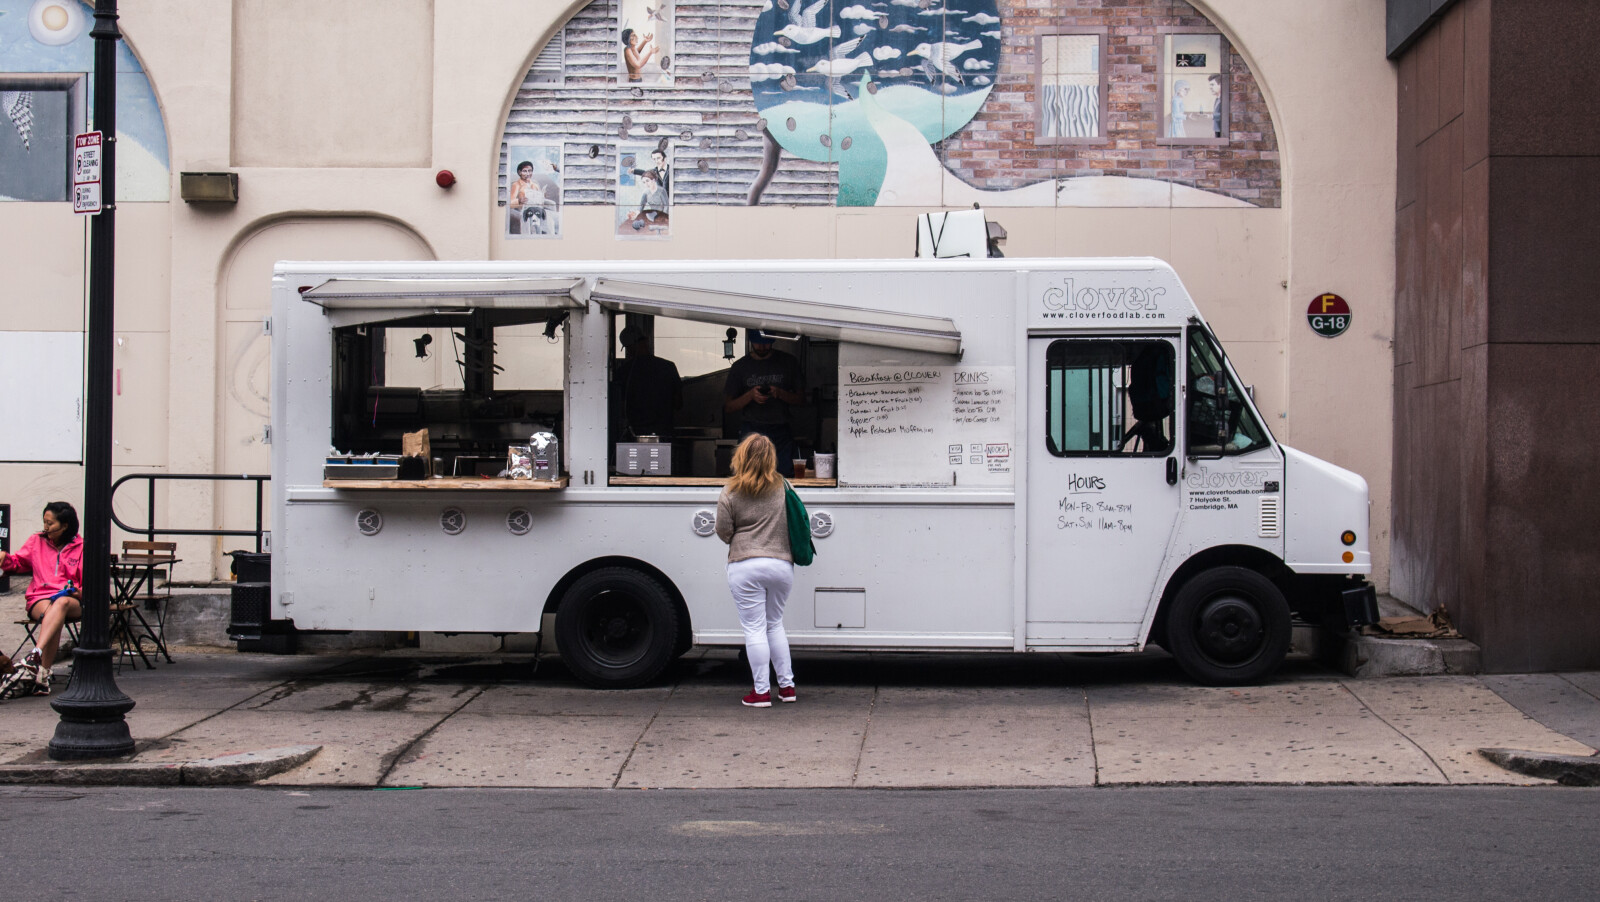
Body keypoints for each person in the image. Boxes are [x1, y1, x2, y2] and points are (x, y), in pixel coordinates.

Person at [714, 433, 797, 707]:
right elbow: (798, 521)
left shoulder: (731, 490)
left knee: (754, 629)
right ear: (771, 457)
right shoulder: (784, 486)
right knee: (775, 625)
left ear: (741, 456)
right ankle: (787, 688)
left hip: (745, 564)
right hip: (780, 565)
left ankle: (761, 692)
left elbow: (723, 531)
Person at [0, 502, 83, 700]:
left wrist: (74, 591)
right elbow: (19, 564)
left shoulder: (81, 548)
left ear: (65, 525)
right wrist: (4, 558)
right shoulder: (36, 541)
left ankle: (36, 654)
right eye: (44, 522)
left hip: (71, 599)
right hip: (40, 597)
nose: (45, 528)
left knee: (60, 605)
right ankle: (43, 675)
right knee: (53, 615)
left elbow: (87, 587)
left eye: (50, 523)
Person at [723, 329, 804, 477]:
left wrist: (780, 393)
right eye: (758, 343)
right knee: (748, 477)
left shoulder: (788, 362)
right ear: (750, 341)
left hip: (781, 430)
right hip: (751, 430)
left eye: (766, 344)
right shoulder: (740, 367)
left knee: (783, 477)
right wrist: (750, 395)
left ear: (772, 340)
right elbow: (728, 407)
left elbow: (801, 399)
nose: (762, 347)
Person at [613, 323, 683, 440]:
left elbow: (619, 408)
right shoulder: (668, 366)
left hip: (634, 435)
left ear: (629, 348)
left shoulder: (623, 372)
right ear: (646, 340)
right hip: (664, 434)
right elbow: (678, 403)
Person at [1207, 74, 1223, 138]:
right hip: (1217, 130)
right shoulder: (1217, 99)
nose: (1210, 87)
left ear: (1220, 85)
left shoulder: (1223, 100)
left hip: (1222, 131)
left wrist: (1211, 116)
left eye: (1212, 85)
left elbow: (1224, 115)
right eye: (1210, 85)